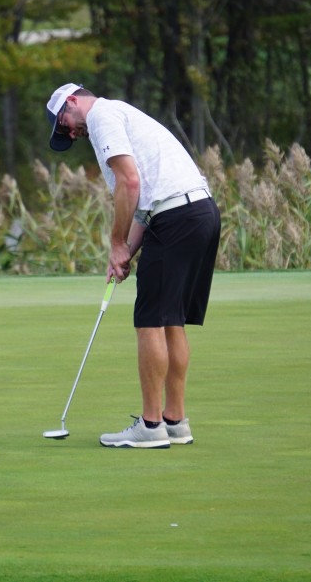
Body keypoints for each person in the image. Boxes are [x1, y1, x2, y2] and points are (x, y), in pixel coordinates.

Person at [45, 83, 221, 449]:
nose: (70, 134)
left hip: (175, 218)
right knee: (170, 319)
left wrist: (115, 243)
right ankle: (175, 421)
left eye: (64, 124)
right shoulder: (120, 114)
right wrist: (125, 252)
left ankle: (151, 426)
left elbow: (129, 182)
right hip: (198, 213)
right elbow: (143, 204)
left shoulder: (101, 116)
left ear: (73, 101)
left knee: (151, 320)